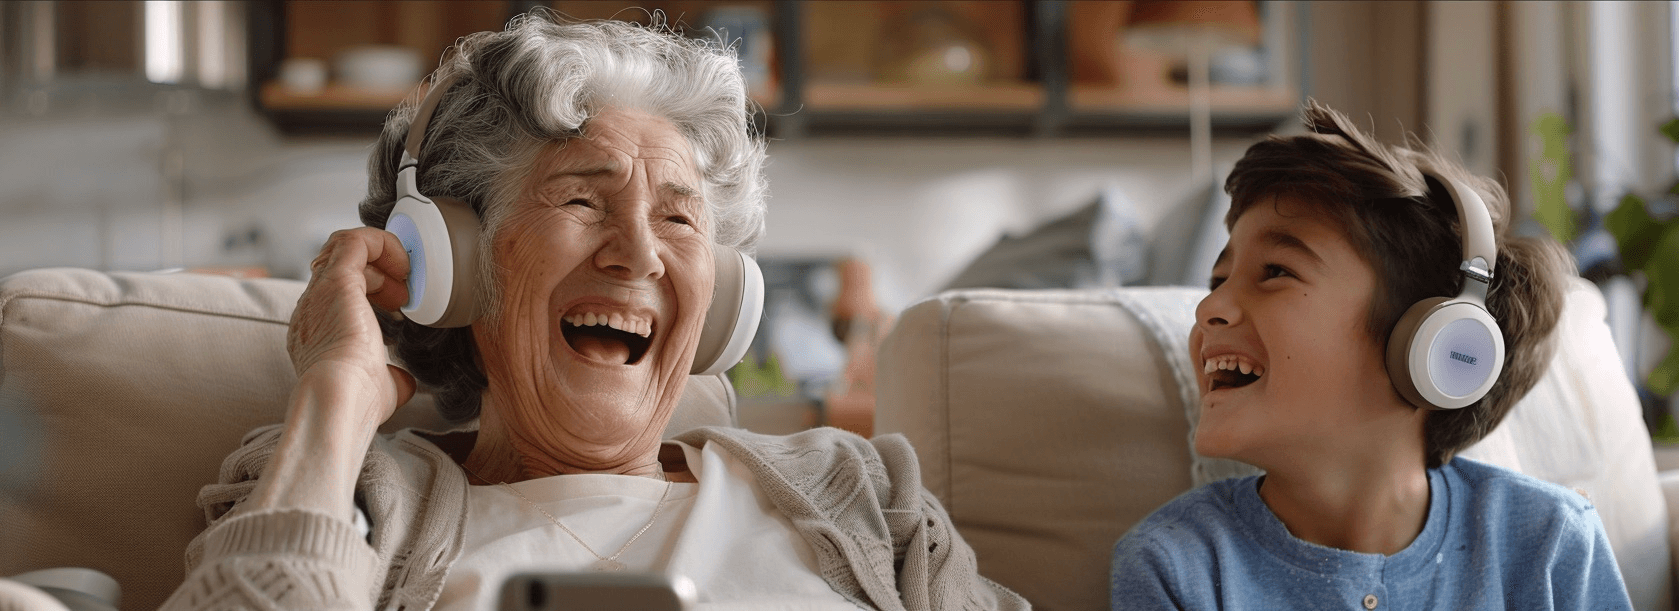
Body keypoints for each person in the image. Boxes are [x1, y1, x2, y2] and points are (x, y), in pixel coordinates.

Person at [161, 12, 1025, 611]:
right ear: (453, 260)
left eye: (680, 218)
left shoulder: (864, 495)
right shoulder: (350, 492)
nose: (640, 253)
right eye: (581, 200)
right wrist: (334, 395)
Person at [1109, 101, 1633, 609]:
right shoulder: (1177, 567)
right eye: (1217, 280)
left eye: (1275, 272)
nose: (1210, 308)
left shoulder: (1549, 546)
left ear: (1433, 346)